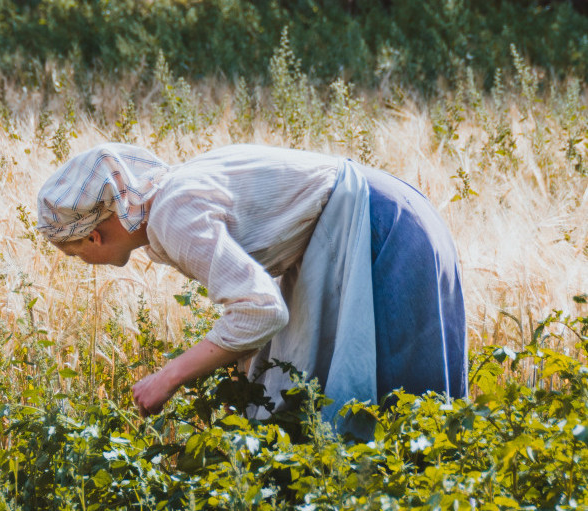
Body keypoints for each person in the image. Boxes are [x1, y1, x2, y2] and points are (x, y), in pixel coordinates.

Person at [36, 143, 467, 431]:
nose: (84, 263)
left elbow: (261, 310)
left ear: (92, 236)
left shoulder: (172, 215)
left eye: (75, 254)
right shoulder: (172, 201)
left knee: (402, 413)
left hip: (383, 232)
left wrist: (167, 378)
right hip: (392, 212)